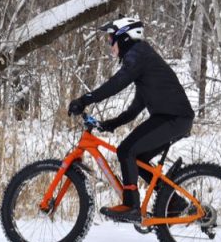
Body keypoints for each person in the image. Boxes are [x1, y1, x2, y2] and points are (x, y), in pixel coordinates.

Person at [67, 16, 195, 223]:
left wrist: (84, 100)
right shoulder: (143, 58)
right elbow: (137, 106)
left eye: (111, 39)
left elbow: (117, 83)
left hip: (173, 118)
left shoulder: (138, 55)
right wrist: (113, 123)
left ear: (124, 37)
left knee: (126, 150)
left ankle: (131, 206)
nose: (110, 45)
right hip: (173, 118)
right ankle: (173, 202)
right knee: (138, 157)